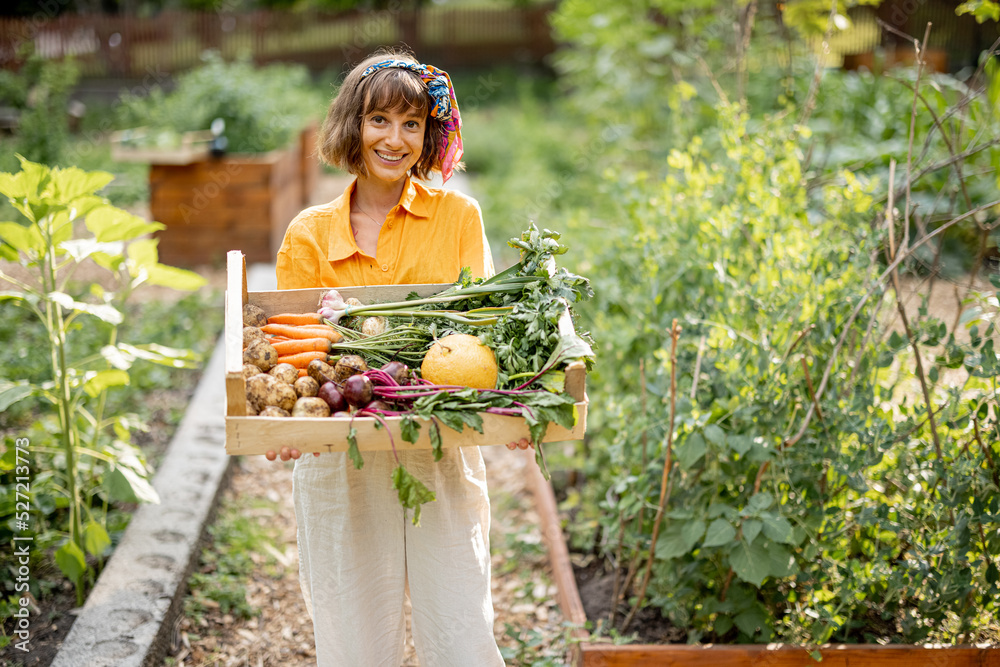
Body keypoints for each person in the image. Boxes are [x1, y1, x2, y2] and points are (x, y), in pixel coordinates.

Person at [263, 49, 528, 666]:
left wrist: (514, 401)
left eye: (412, 124)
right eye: (379, 119)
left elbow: (481, 332)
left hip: (438, 439)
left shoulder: (458, 216)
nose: (395, 138)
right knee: (352, 636)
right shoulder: (308, 233)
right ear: (353, 125)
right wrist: (284, 425)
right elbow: (293, 357)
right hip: (341, 458)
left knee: (460, 628)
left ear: (428, 135)